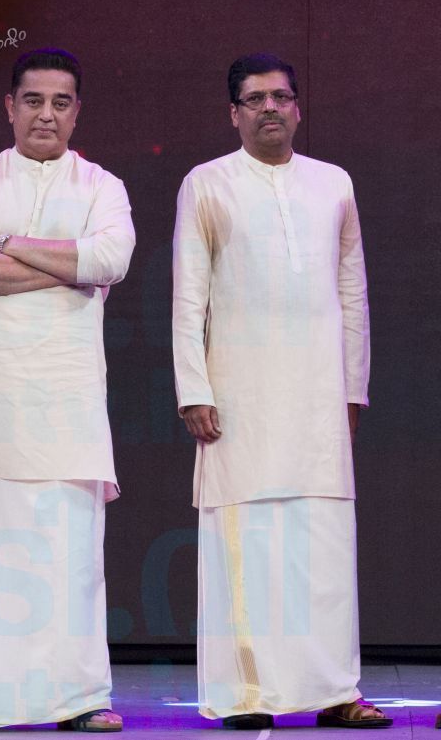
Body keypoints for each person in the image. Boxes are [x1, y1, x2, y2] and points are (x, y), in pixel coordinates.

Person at [0, 48, 134, 731]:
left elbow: (112, 259)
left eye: (60, 102)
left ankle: (76, 699)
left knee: (68, 557)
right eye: (33, 100)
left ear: (77, 112)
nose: (46, 114)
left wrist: (11, 243)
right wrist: (70, 265)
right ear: (9, 106)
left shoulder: (102, 185)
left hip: (66, 401)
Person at [172, 53, 387, 730]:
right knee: (249, 542)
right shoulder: (207, 184)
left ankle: (335, 690)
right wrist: (193, 387)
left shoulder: (334, 184)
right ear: (233, 113)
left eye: (281, 97)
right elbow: (188, 296)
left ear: (297, 109)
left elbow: (352, 291)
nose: (270, 108)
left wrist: (353, 387)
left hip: (319, 395)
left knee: (324, 546)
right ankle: (246, 694)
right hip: (238, 398)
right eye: (255, 98)